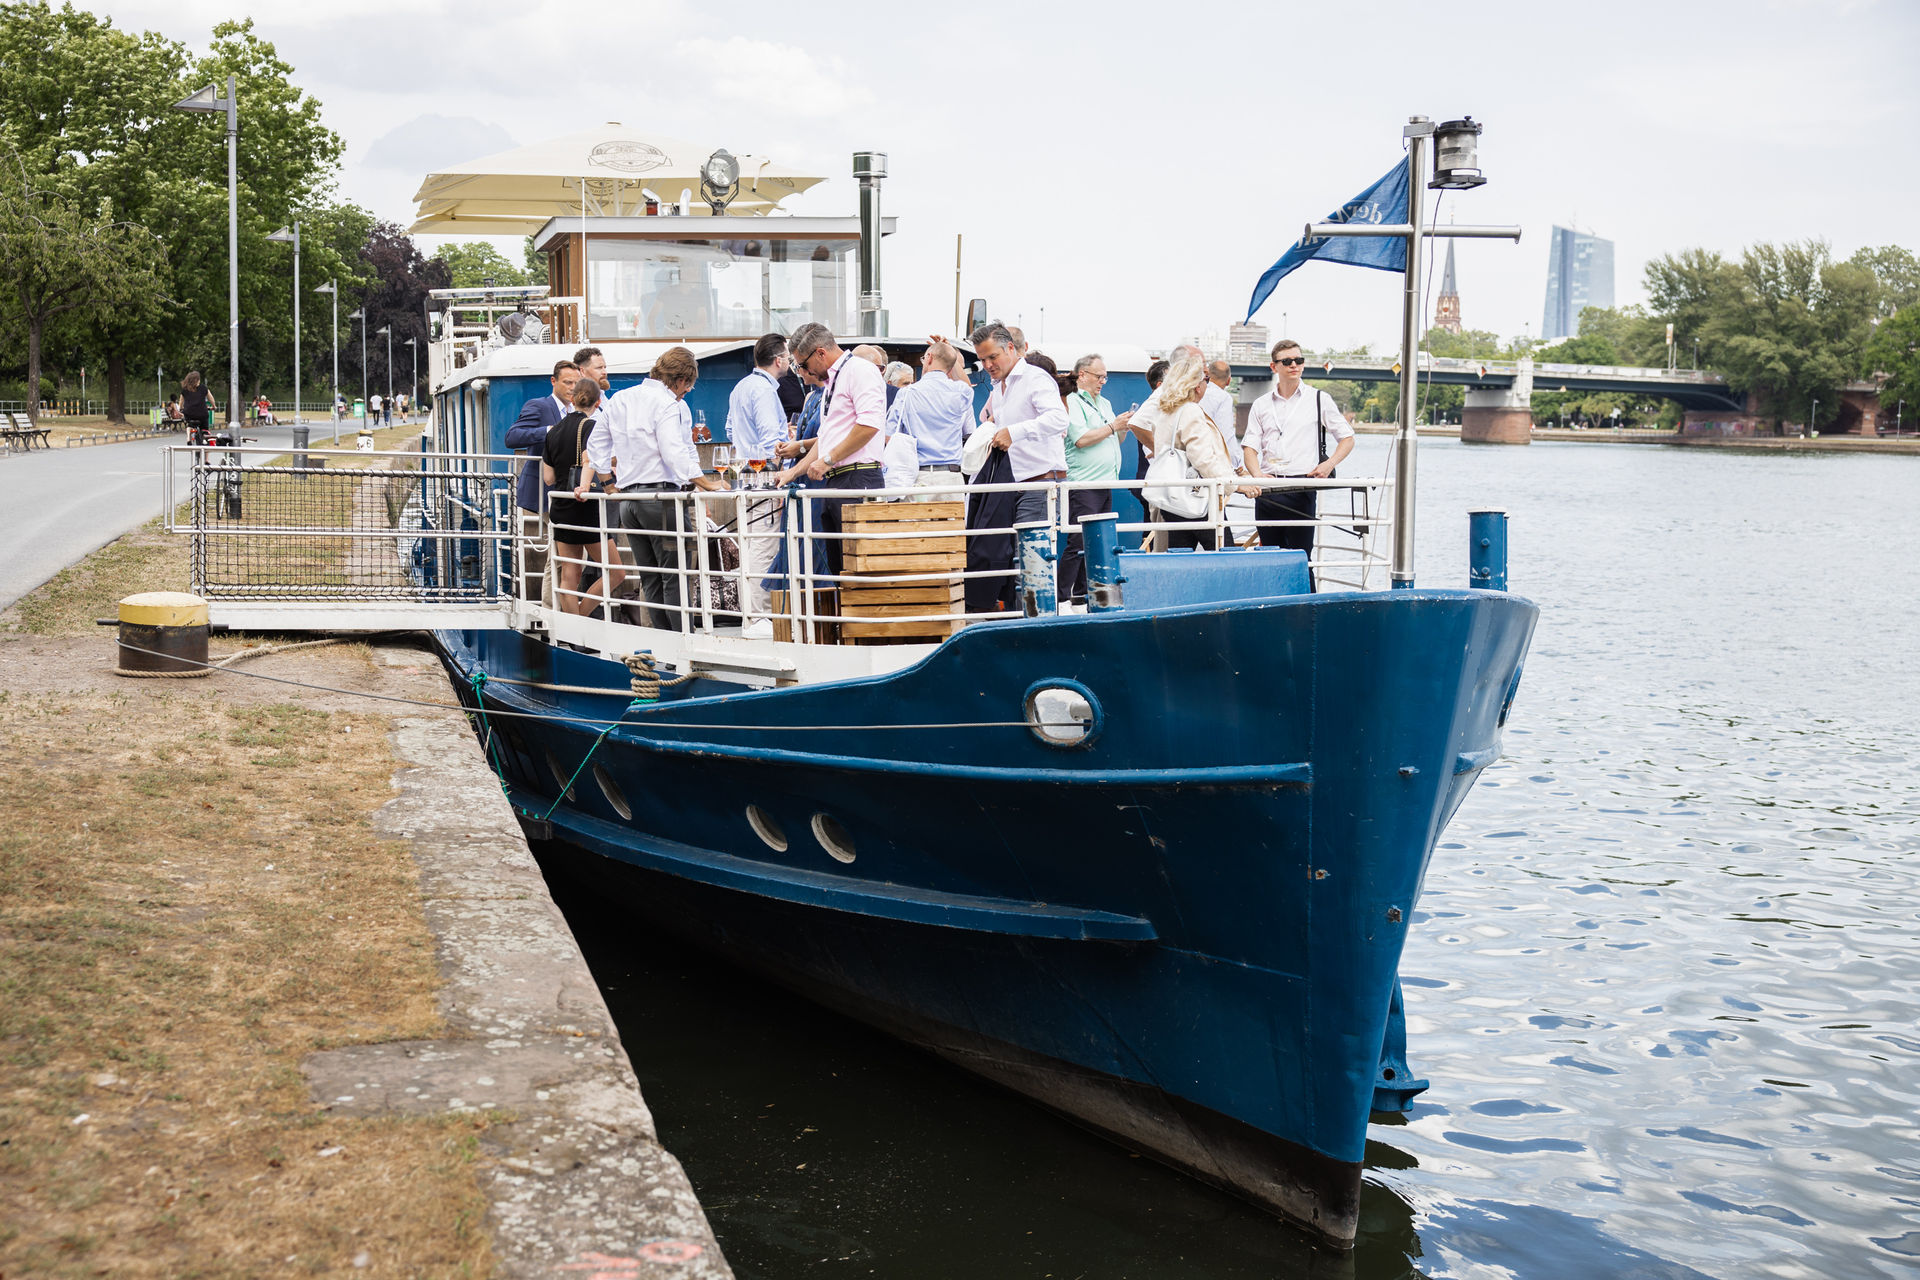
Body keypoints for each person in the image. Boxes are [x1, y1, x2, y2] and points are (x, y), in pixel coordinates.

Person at [586, 346, 727, 629]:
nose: (686, 392)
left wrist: (608, 484)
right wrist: (707, 484)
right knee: (676, 573)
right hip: (662, 502)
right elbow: (673, 452)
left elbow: (596, 444)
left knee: (650, 576)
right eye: (687, 386)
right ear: (679, 380)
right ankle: (682, 642)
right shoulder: (666, 403)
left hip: (629, 503)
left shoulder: (620, 399)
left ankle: (663, 644)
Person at [775, 323, 889, 583]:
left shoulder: (860, 371)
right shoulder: (833, 381)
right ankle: (845, 623)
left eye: (802, 365)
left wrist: (827, 460)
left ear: (820, 354)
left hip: (858, 480)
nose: (803, 372)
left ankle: (861, 623)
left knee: (860, 569)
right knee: (841, 571)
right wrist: (792, 472)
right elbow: (827, 438)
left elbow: (869, 425)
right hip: (840, 481)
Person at [1243, 338, 1354, 586]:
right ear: (1274, 367)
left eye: (1299, 360)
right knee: (1269, 558)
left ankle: (1307, 610)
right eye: (1287, 361)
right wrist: (1257, 475)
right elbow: (1249, 447)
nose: (1294, 365)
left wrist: (1328, 464)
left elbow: (1347, 438)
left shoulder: (1318, 399)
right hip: (1268, 488)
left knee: (1302, 559)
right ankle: (1273, 610)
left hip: (1302, 487)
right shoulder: (1261, 404)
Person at [971, 320, 1067, 607]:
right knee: (1015, 558)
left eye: (992, 357)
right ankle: (1019, 623)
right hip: (1017, 483)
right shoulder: (1001, 387)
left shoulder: (1035, 379)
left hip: (1039, 482)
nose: (988, 364)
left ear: (1010, 348)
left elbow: (1059, 419)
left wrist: (1014, 432)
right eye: (983, 359)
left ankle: (1032, 625)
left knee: (1030, 559)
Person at [1147, 356, 1258, 550]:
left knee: (1181, 558)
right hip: (1198, 500)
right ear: (1197, 386)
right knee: (1226, 556)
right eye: (1206, 381)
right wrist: (1235, 485)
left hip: (1173, 499)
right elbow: (1203, 460)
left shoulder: (1166, 411)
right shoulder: (1191, 411)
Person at [542, 378, 627, 616]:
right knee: (617, 572)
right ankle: (583, 615)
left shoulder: (553, 431)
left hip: (561, 506)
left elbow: (548, 477)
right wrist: (584, 485)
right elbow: (590, 458)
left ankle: (573, 627)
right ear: (599, 401)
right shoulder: (592, 426)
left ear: (572, 398)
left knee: (570, 573)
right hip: (585, 507)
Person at [725, 333, 790, 633]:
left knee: (752, 544)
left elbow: (729, 429)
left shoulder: (741, 387)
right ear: (778, 360)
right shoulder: (764, 391)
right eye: (788, 357)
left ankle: (752, 615)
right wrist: (777, 476)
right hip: (764, 476)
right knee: (763, 546)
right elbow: (768, 439)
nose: (789, 362)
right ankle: (759, 617)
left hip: (744, 476)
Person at [504, 360, 580, 599]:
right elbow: (512, 437)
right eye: (568, 382)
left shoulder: (579, 411)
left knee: (563, 554)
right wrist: (548, 431)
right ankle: (551, 606)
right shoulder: (538, 406)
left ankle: (558, 605)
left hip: (572, 492)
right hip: (544, 490)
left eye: (577, 383)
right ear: (554, 381)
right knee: (559, 554)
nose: (572, 388)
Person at [1061, 354, 1130, 601]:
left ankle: (1082, 596)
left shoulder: (1105, 403)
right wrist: (1113, 426)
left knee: (1097, 543)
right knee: (1077, 541)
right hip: (1084, 482)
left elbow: (1113, 438)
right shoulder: (1072, 402)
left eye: (1105, 377)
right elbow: (1081, 439)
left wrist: (1122, 428)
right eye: (1099, 376)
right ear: (1082, 375)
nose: (1102, 381)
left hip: (1104, 482)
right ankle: (1062, 598)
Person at [887, 340, 972, 487]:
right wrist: (950, 356)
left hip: (918, 476)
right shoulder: (960, 391)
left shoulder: (906, 393)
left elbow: (890, 434)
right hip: (952, 477)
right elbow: (968, 386)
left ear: (930, 358)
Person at [180, 371, 214, 440]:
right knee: (204, 428)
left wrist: (181, 408)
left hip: (189, 414)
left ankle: (189, 434)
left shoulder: (185, 389)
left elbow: (181, 401)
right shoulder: (203, 388)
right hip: (202, 414)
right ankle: (205, 437)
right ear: (197, 380)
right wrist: (214, 406)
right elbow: (211, 398)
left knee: (189, 425)